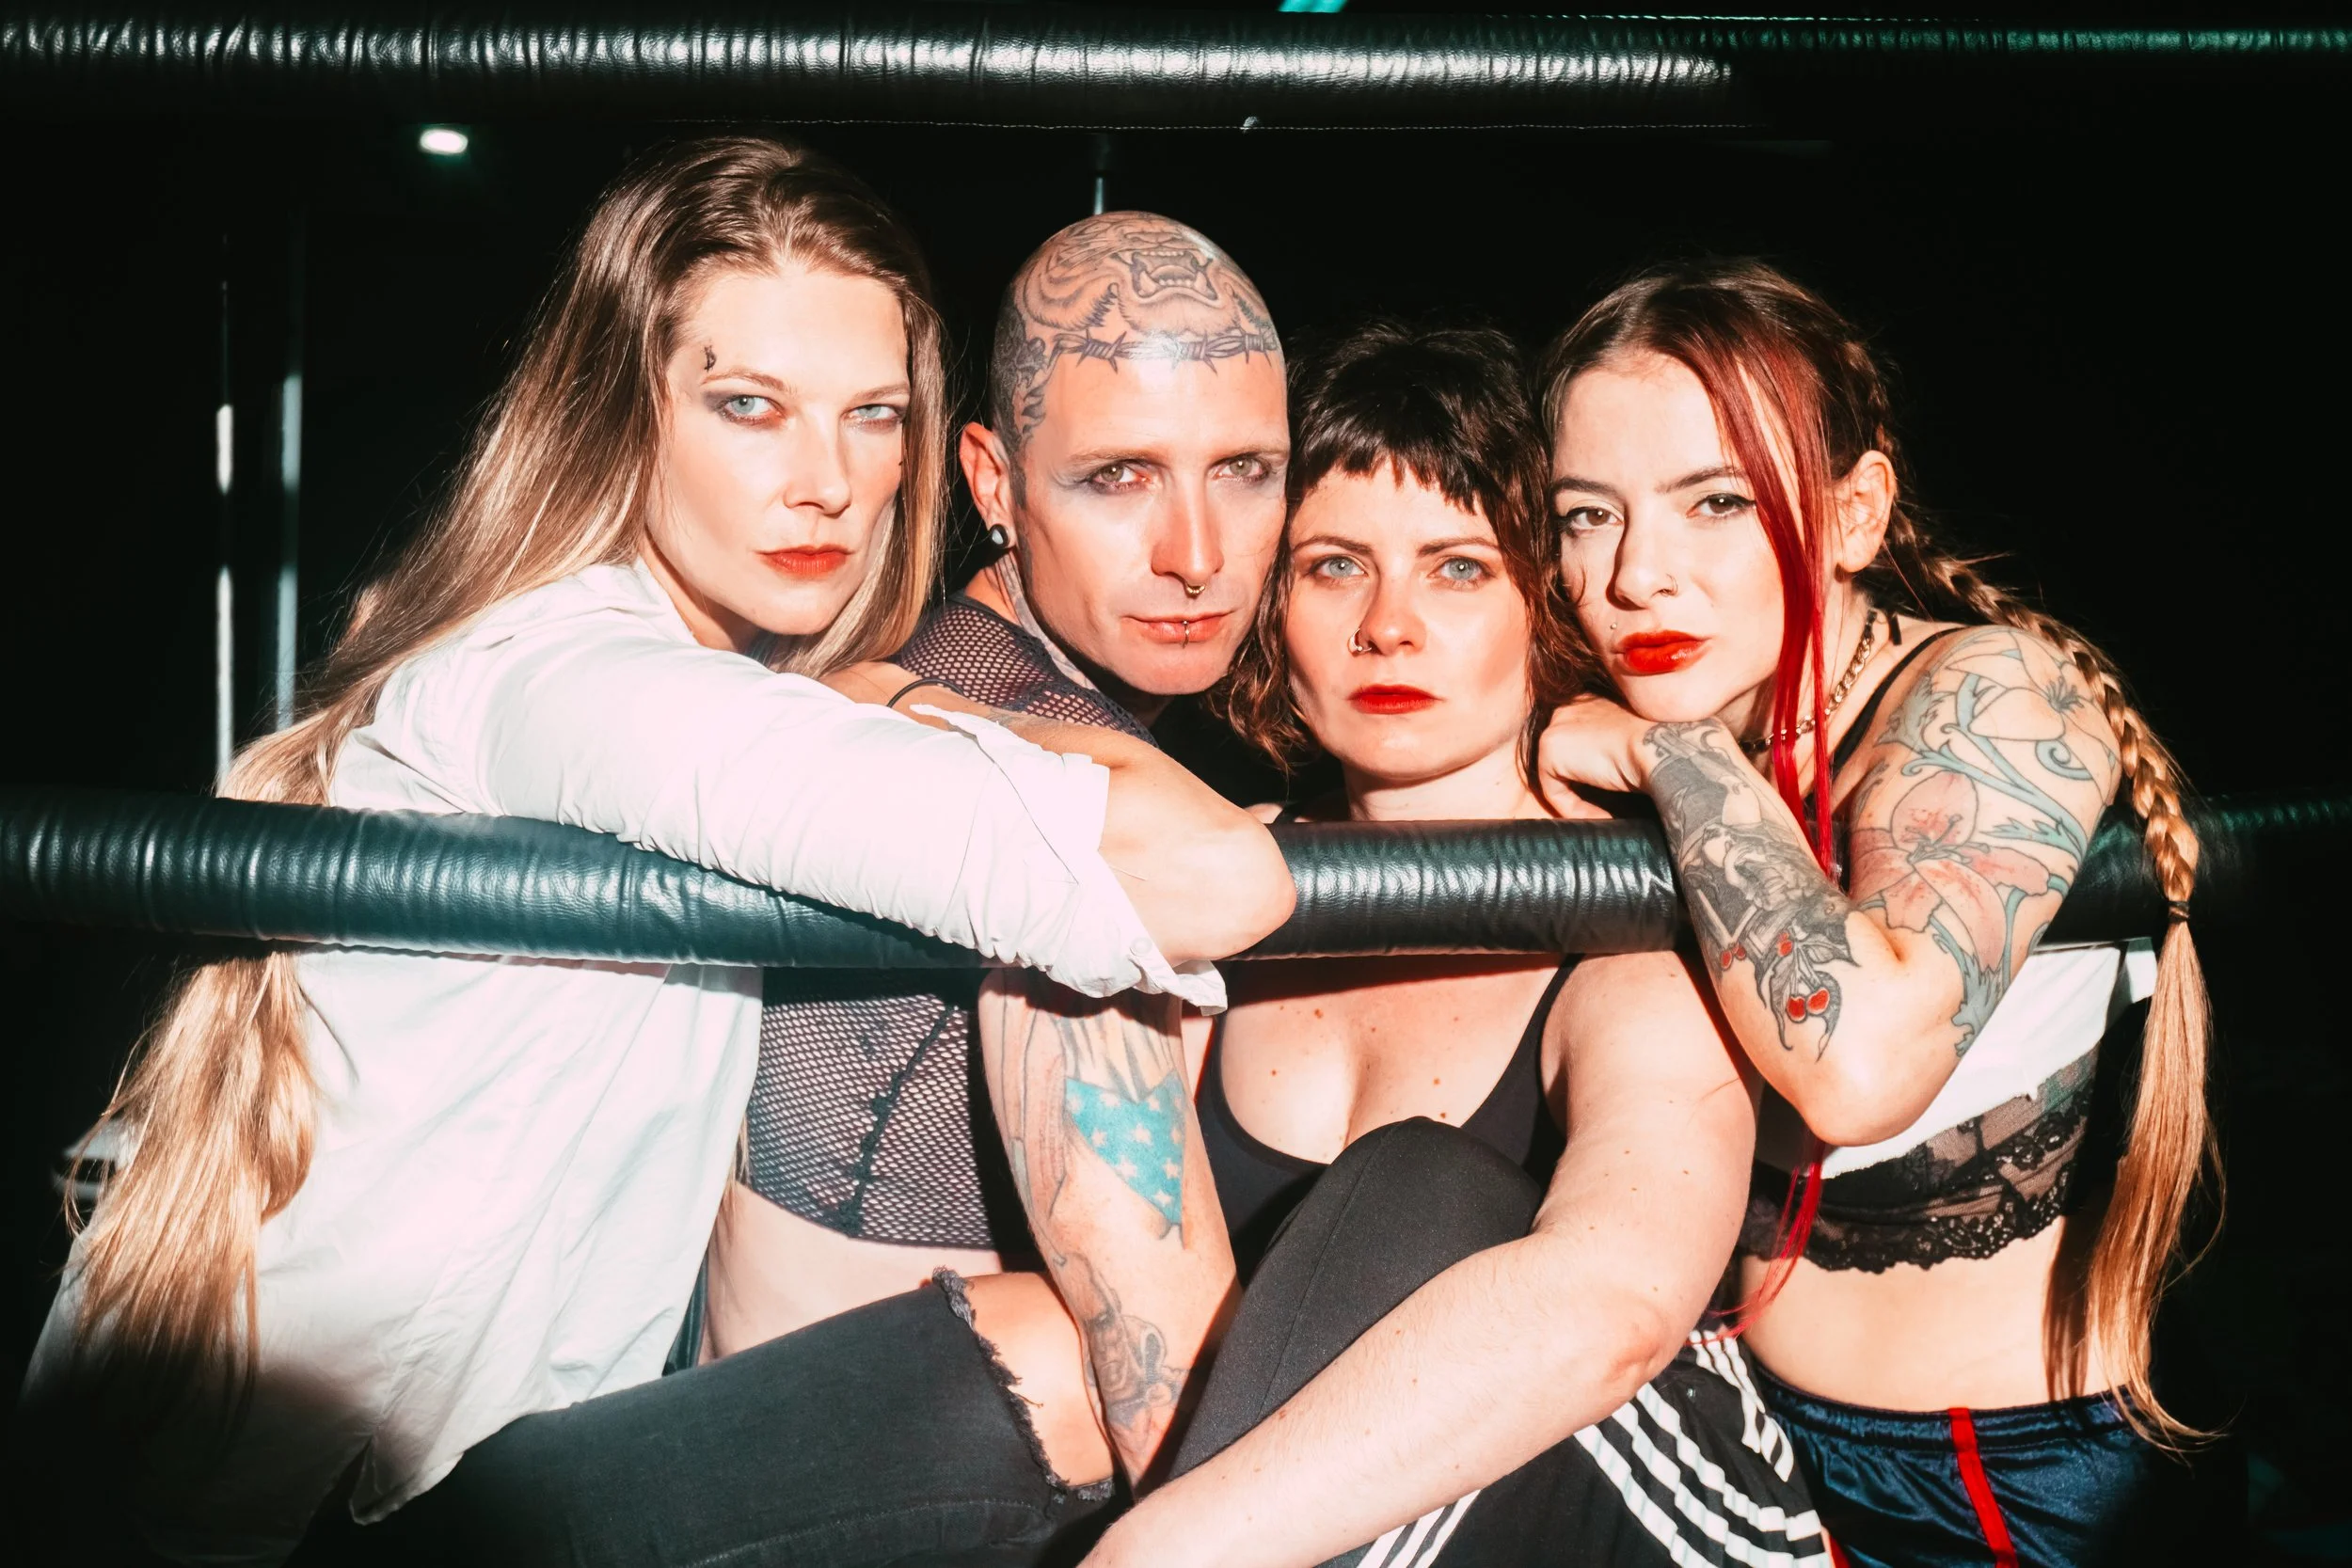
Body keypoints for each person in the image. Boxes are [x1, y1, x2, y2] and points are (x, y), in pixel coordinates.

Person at [9, 137, 1291, 1566]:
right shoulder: (585, 683)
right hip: (309, 1522)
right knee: (1056, 1355)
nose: (826, 481)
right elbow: (1214, 876)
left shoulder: (687, 680)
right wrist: (903, 697)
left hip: (428, 1481)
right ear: (626, 414)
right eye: (749, 406)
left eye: (872, 415)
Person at [1083, 322, 1828, 1568]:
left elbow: (1616, 1307)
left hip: (1648, 1509)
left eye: (1459, 568)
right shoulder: (1214, 879)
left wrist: (1147, 1556)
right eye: (1334, 566)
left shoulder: (1632, 913)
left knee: (1420, 1183)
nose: (1389, 624)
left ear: (1545, 602)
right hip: (1311, 1519)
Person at [1533, 260, 2231, 1564]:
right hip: (1742, 1437)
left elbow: (1855, 1067)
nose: (1637, 575)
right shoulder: (1633, 736)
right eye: (1588, 515)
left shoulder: (1994, 693)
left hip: (2008, 1487)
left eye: (1716, 501)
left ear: (1855, 514)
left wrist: (1668, 754)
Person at [701, 210, 1289, 1498]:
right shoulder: (1037, 787)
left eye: (1245, 470)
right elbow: (1166, 1391)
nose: (1196, 556)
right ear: (992, 483)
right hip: (867, 1494)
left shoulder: (956, 693)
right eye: (1118, 477)